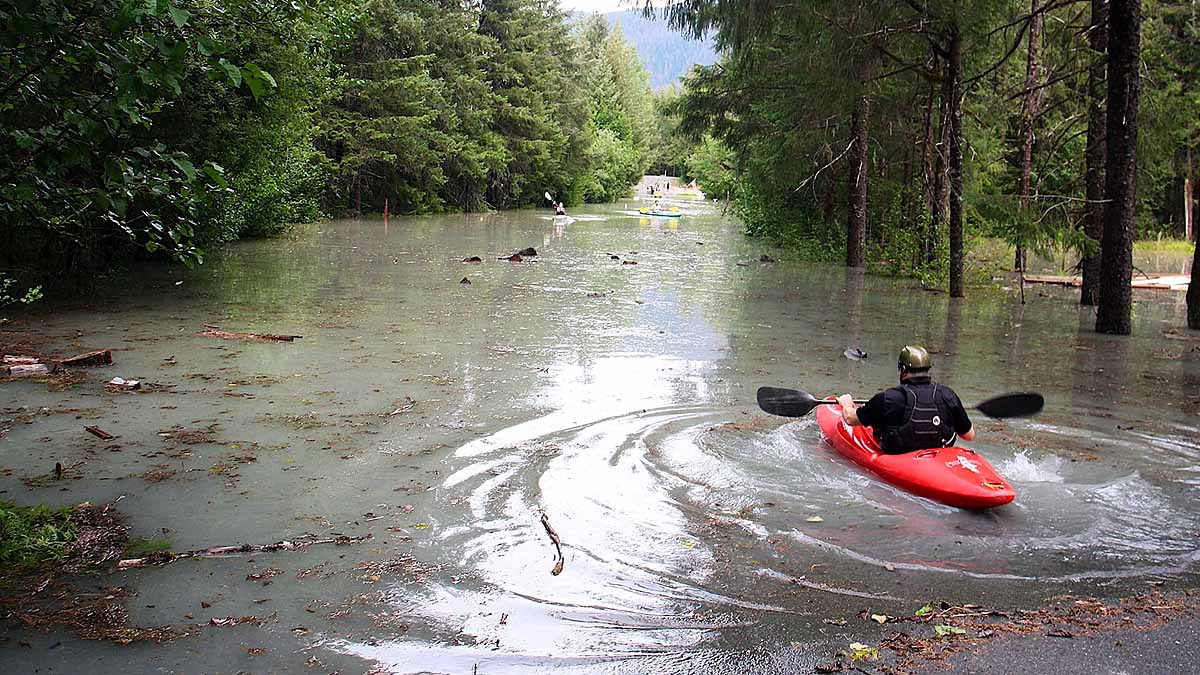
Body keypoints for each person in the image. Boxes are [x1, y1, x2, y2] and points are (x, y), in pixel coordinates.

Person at [836, 345, 975, 454]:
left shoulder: (887, 398)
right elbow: (969, 435)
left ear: (903, 370)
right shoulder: (947, 395)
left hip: (901, 455)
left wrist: (846, 403)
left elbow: (850, 419)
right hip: (939, 454)